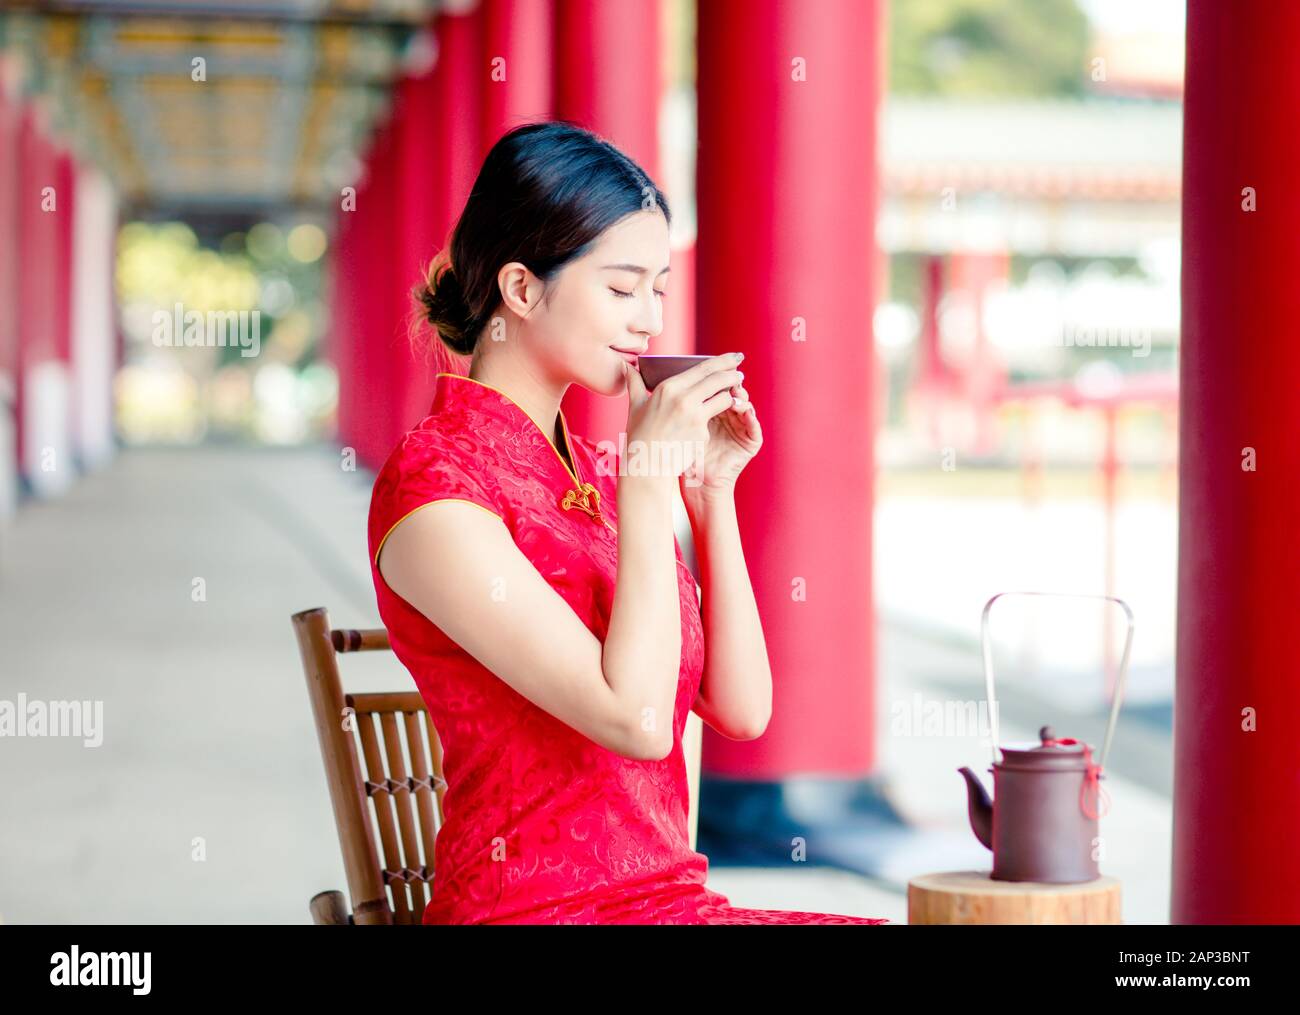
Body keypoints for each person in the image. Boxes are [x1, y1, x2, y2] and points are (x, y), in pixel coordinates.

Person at [367, 120, 888, 925]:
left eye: (660, 288)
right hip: (532, 909)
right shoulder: (435, 492)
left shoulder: (592, 483)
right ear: (522, 289)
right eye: (621, 287)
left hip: (666, 903)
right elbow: (640, 723)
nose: (649, 319)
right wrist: (645, 486)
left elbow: (743, 710)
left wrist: (711, 499)